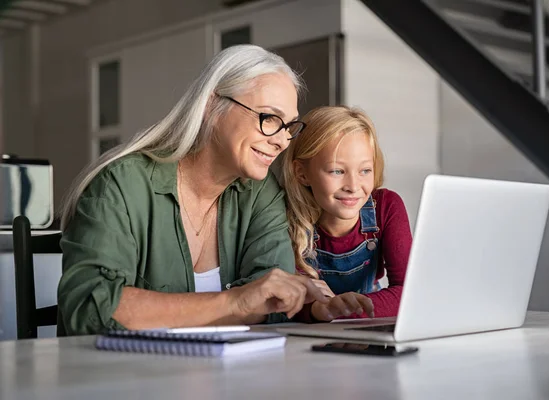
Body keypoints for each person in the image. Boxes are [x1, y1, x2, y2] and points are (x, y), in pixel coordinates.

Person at [57, 45, 369, 336]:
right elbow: (87, 310)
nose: (281, 141)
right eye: (269, 119)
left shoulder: (261, 193)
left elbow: (274, 307)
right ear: (212, 105)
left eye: (288, 127)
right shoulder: (122, 185)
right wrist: (236, 302)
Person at [282, 106, 412, 322]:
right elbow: (287, 303)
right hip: (310, 337)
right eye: (337, 171)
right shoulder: (285, 218)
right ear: (301, 173)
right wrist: (318, 310)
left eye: (364, 171)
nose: (353, 186)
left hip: (368, 329)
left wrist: (339, 311)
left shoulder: (387, 207)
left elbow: (408, 293)